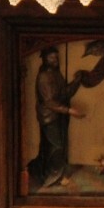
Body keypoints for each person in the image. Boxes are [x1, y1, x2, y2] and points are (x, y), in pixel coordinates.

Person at [27, 46, 86, 189]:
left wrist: (77, 81)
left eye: (56, 57)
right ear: (45, 59)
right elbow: (49, 102)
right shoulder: (44, 77)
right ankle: (53, 178)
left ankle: (49, 174)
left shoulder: (55, 74)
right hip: (49, 117)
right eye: (51, 57)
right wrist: (69, 110)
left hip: (58, 116)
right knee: (56, 147)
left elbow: (64, 93)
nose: (55, 60)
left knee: (56, 146)